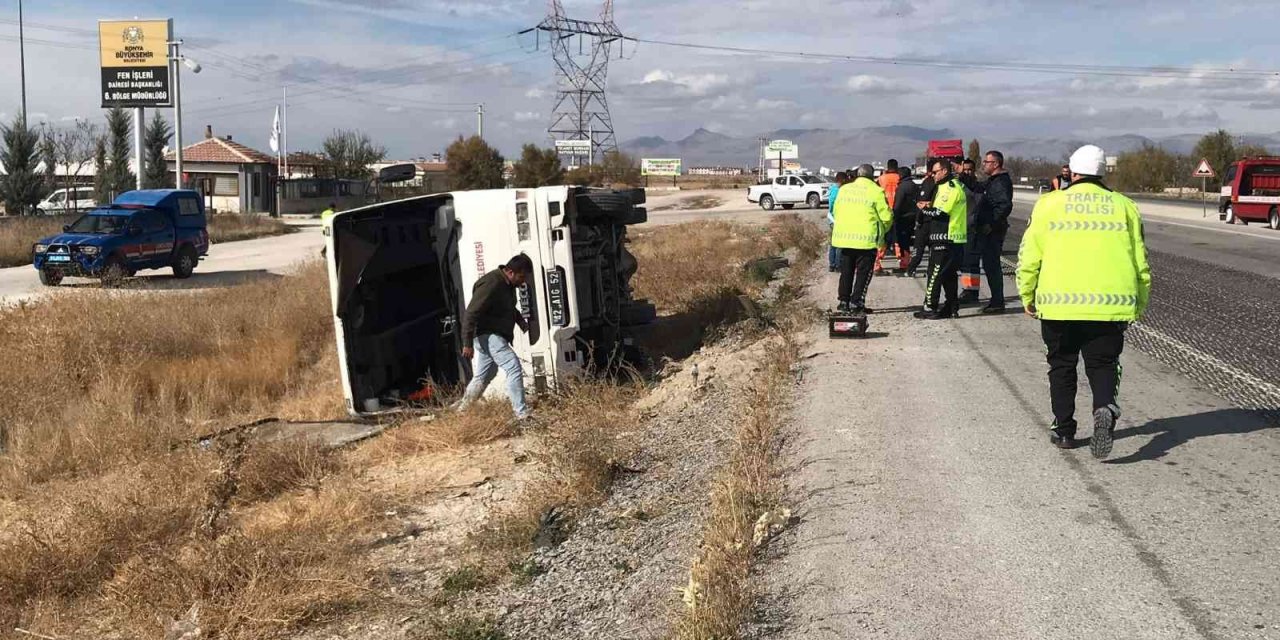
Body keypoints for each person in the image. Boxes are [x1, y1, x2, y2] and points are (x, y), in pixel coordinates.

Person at [1017, 145, 1151, 459]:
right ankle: (1104, 406)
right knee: (1103, 365)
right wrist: (1139, 303)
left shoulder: (1049, 204)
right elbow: (1141, 261)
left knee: (1061, 366)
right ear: (1103, 172)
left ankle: (1064, 430)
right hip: (1110, 306)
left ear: (1072, 173)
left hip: (1059, 304)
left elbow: (1029, 256)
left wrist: (1027, 294)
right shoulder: (1125, 206)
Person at [457, 254, 535, 420]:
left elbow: (508, 308)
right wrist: (467, 343)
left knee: (485, 375)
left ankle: (462, 411)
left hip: (491, 335)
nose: (523, 281)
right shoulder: (492, 283)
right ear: (511, 272)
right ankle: (522, 415)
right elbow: (471, 312)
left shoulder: (506, 285)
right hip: (488, 334)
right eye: (522, 277)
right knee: (513, 366)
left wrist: (521, 321)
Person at [831, 164, 892, 314]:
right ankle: (856, 302)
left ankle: (843, 302)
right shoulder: (876, 191)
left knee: (846, 272)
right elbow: (886, 217)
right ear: (872, 176)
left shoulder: (844, 189)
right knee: (863, 273)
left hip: (844, 239)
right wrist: (883, 231)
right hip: (866, 241)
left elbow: (836, 211)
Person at [913, 160, 967, 319]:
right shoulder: (945, 187)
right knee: (949, 276)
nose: (933, 175)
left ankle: (930, 306)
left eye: (935, 172)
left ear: (944, 171)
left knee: (934, 274)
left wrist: (924, 209)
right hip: (949, 238)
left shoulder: (950, 187)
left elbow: (941, 213)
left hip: (946, 238)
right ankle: (951, 307)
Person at [976, 150, 1014, 313]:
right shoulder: (993, 181)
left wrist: (991, 223)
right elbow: (978, 187)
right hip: (989, 228)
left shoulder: (1000, 182)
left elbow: (1005, 205)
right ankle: (996, 300)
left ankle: (998, 301)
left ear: (996, 164)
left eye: (987, 162)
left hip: (993, 230)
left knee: (992, 265)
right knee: (989, 264)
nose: (984, 164)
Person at [905, 169, 937, 277]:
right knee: (924, 250)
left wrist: (918, 220)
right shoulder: (931, 183)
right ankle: (922, 270)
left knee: (919, 248)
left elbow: (921, 205)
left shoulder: (929, 183)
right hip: (930, 220)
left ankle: (912, 269)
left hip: (926, 221)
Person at [874, 160, 902, 273]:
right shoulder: (899, 177)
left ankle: (876, 265)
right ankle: (902, 262)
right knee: (898, 239)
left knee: (882, 239)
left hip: (884, 212)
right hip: (898, 211)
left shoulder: (881, 179)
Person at [892, 166, 920, 272]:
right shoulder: (914, 185)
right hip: (913, 217)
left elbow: (898, 204)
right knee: (907, 241)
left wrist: (894, 215)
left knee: (903, 242)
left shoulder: (902, 187)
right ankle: (906, 262)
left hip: (903, 218)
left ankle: (905, 264)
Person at [827, 172, 847, 272]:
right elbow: (832, 205)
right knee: (839, 243)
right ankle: (838, 264)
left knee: (833, 243)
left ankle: (832, 264)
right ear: (842, 180)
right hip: (837, 219)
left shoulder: (832, 189)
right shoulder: (839, 191)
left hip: (832, 219)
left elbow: (830, 205)